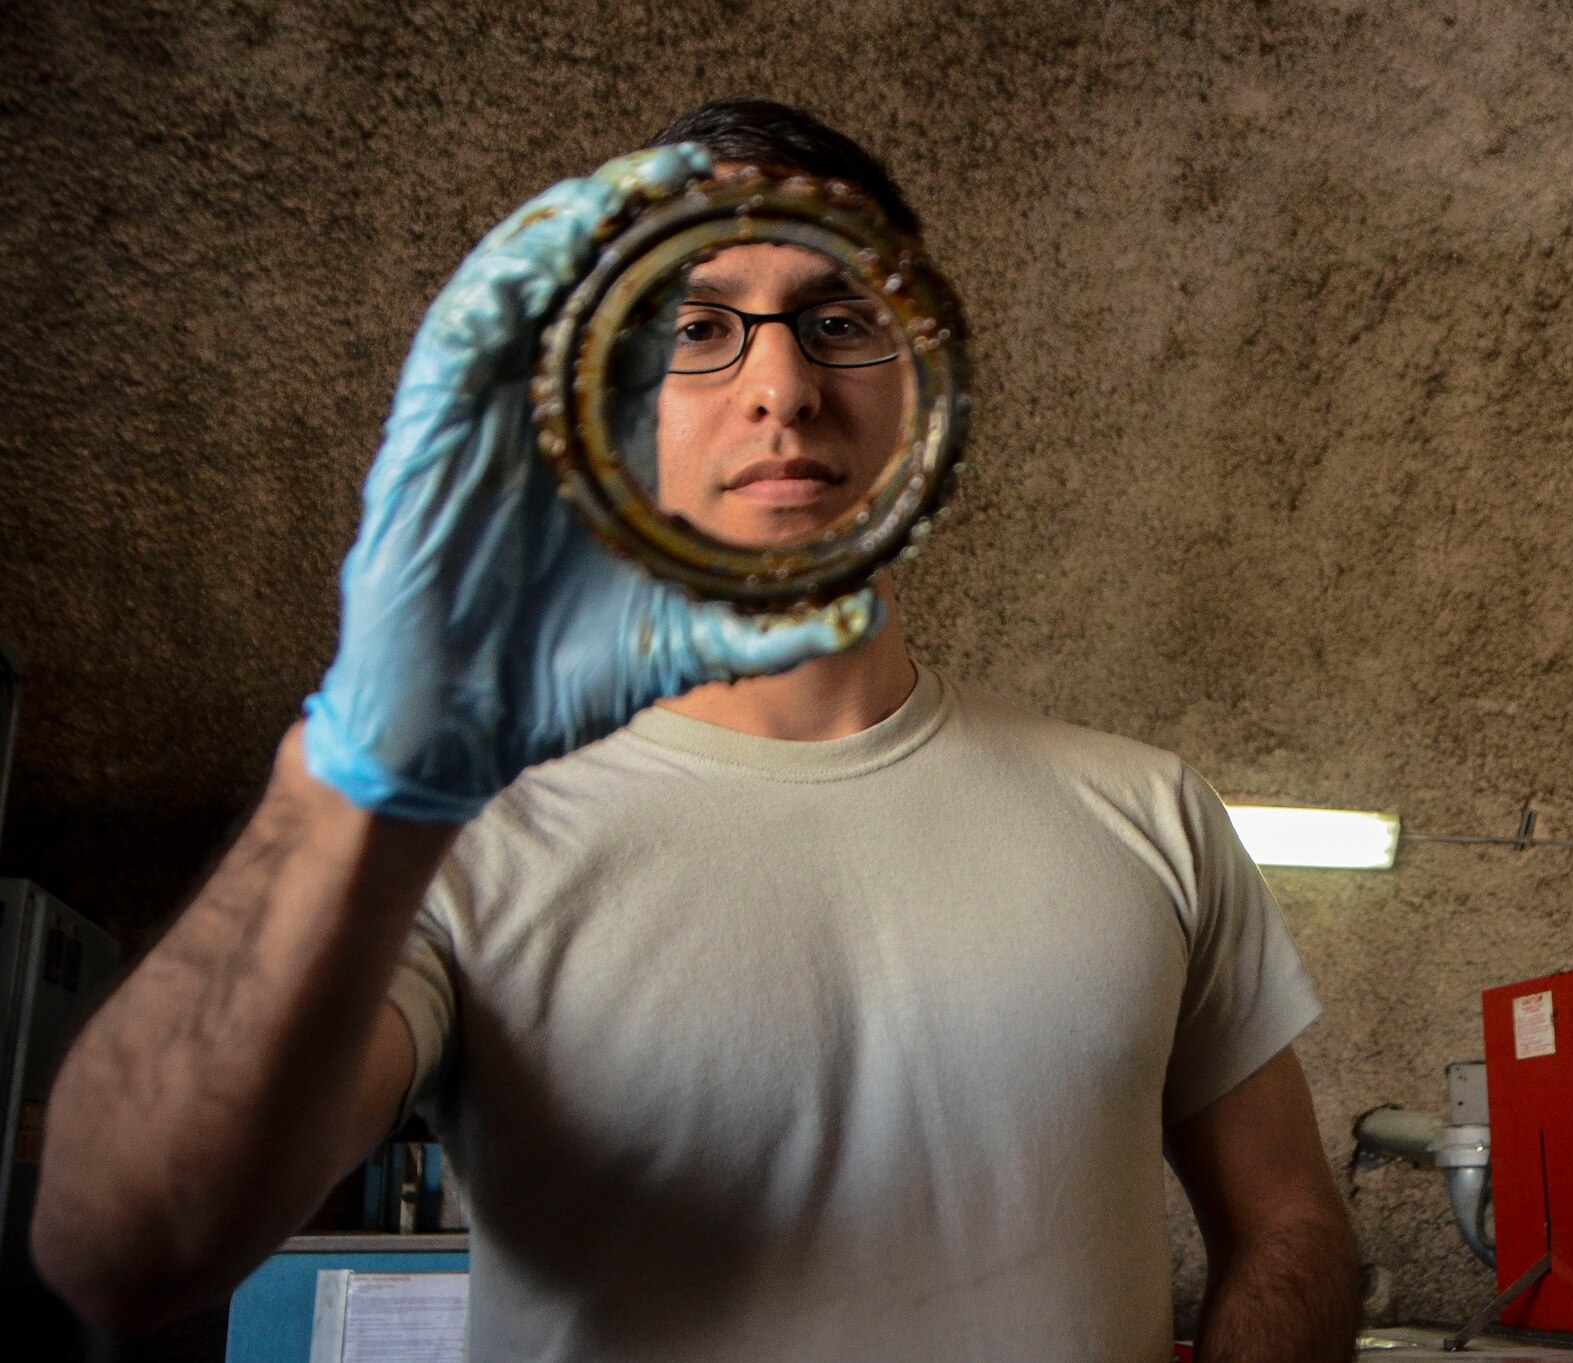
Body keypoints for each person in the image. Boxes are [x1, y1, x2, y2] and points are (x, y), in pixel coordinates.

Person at [32, 98, 1362, 1361]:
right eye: (698, 326)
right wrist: (359, 769)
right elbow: (124, 1247)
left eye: (839, 315)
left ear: (919, 376)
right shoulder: (453, 832)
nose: (780, 385)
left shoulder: (1146, 807)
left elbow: (1291, 1224)